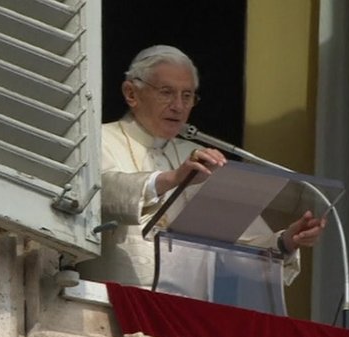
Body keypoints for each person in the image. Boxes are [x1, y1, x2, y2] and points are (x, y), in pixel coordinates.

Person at [77, 45, 325, 289]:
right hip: (114, 306)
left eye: (187, 96)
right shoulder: (97, 139)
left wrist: (285, 241)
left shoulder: (196, 156)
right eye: (166, 92)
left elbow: (238, 245)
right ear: (131, 93)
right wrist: (173, 178)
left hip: (187, 312)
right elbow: (99, 194)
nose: (178, 106)